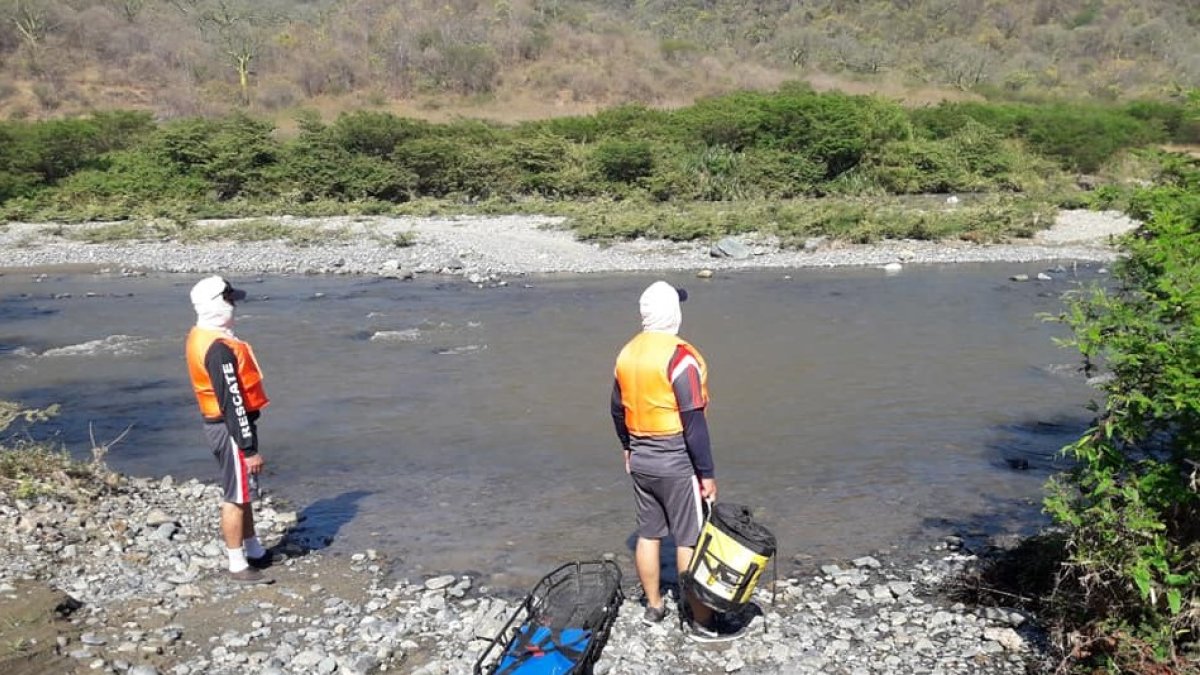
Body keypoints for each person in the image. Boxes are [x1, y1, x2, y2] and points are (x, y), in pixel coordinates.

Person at [611, 280, 726, 642]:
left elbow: (616, 408)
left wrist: (628, 447)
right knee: (688, 539)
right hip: (675, 458)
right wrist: (706, 473)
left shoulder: (627, 354)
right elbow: (693, 420)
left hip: (641, 456)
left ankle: (654, 606)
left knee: (648, 534)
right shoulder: (680, 357)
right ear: (672, 313)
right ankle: (700, 622)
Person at [186, 275, 275, 585]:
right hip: (229, 428)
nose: (235, 305)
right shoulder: (218, 348)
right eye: (230, 299)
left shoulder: (203, 335)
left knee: (243, 490)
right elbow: (232, 400)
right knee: (235, 495)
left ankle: (254, 549)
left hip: (229, 425)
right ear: (216, 304)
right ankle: (237, 563)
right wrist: (249, 448)